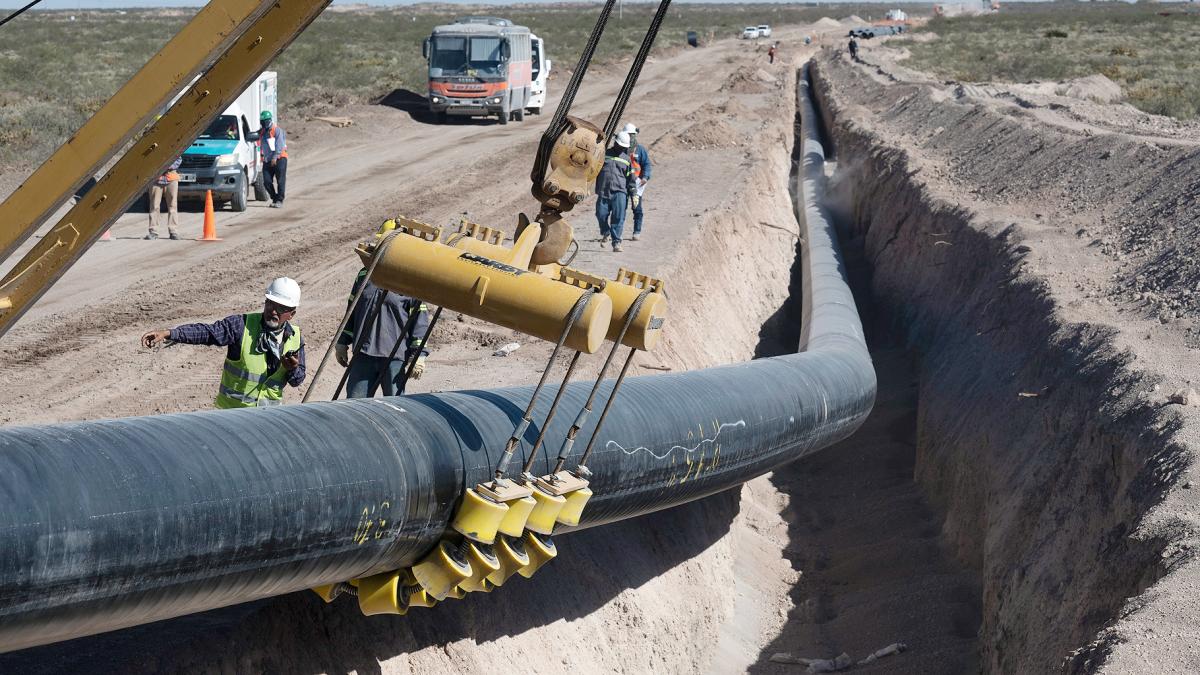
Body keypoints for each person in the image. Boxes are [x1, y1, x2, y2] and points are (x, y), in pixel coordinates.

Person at [140, 277, 306, 408]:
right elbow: (207, 333)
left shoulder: (295, 338)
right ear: (265, 302)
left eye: (282, 308)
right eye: (271, 305)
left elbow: (297, 380)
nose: (274, 312)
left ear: (291, 314)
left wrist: (292, 368)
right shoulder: (241, 325)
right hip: (232, 418)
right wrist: (170, 333)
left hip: (266, 421)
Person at [335, 263, 430, 398]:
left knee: (395, 406)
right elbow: (352, 310)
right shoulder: (365, 274)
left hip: (394, 358)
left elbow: (420, 320)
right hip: (363, 355)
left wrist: (419, 355)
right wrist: (342, 341)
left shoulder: (410, 278)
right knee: (355, 404)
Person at [595, 130, 637, 253]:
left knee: (618, 218)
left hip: (620, 192)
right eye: (621, 146)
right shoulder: (604, 155)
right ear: (616, 144)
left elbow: (631, 179)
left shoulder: (627, 160)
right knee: (600, 214)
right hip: (603, 191)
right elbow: (594, 171)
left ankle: (616, 242)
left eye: (624, 147)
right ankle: (605, 231)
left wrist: (634, 193)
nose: (622, 149)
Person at [622, 122, 652, 242]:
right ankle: (617, 232)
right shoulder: (621, 149)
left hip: (638, 184)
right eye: (628, 134)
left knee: (637, 208)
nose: (630, 137)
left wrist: (645, 177)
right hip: (623, 183)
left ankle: (637, 231)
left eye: (632, 134)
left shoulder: (641, 150)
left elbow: (647, 164)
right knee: (620, 208)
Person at [145, 156, 182, 240]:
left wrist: (168, 166)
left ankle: (173, 232)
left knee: (173, 206)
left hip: (171, 177)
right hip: (156, 177)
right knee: (154, 205)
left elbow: (179, 159)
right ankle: (153, 232)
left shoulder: (174, 145)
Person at [258, 110, 288, 208]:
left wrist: (275, 157)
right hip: (268, 159)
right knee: (266, 181)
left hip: (280, 158)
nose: (264, 123)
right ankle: (274, 198)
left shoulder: (276, 130)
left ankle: (280, 200)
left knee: (280, 180)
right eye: (262, 121)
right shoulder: (262, 131)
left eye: (265, 121)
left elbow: (279, 145)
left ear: (269, 120)